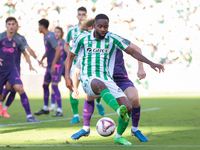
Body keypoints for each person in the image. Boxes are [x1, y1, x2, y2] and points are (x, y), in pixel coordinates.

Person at [65, 14, 164, 145]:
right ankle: (94, 123)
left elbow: (133, 52)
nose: (102, 29)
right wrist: (67, 77)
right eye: (100, 26)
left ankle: (118, 136)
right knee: (99, 87)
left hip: (108, 78)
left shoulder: (112, 38)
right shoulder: (82, 38)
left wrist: (151, 63)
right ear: (94, 26)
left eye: (105, 26)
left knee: (128, 107)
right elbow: (70, 56)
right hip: (89, 78)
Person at [0, 17, 39, 122]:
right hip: (1, 70)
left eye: (13, 24)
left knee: (19, 88)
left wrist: (31, 64)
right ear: (6, 25)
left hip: (12, 69)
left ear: (16, 25)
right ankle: (2, 108)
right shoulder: (1, 37)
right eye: (9, 24)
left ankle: (29, 116)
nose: (11, 26)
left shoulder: (19, 39)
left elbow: (26, 52)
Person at [34, 19, 63, 117]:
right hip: (49, 65)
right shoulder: (46, 36)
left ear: (42, 26)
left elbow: (58, 50)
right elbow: (49, 50)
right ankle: (45, 108)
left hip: (56, 65)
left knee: (54, 86)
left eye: (38, 26)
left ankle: (59, 110)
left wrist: (54, 64)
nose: (38, 28)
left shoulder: (50, 36)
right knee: (45, 85)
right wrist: (42, 58)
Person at [64, 6, 87, 123]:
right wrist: (70, 55)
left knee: (93, 86)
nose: (81, 16)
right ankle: (76, 115)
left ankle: (98, 101)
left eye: (83, 14)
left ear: (86, 15)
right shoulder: (71, 30)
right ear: (77, 16)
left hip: (88, 61)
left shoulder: (91, 29)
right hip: (76, 62)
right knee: (72, 87)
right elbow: (66, 44)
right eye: (80, 14)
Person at [49, 26, 66, 112]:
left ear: (61, 33)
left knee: (69, 85)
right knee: (54, 85)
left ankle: (73, 102)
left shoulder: (64, 43)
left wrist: (66, 62)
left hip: (64, 67)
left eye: (58, 32)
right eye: (55, 32)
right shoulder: (53, 42)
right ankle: (53, 105)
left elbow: (69, 54)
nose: (56, 33)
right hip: (57, 66)